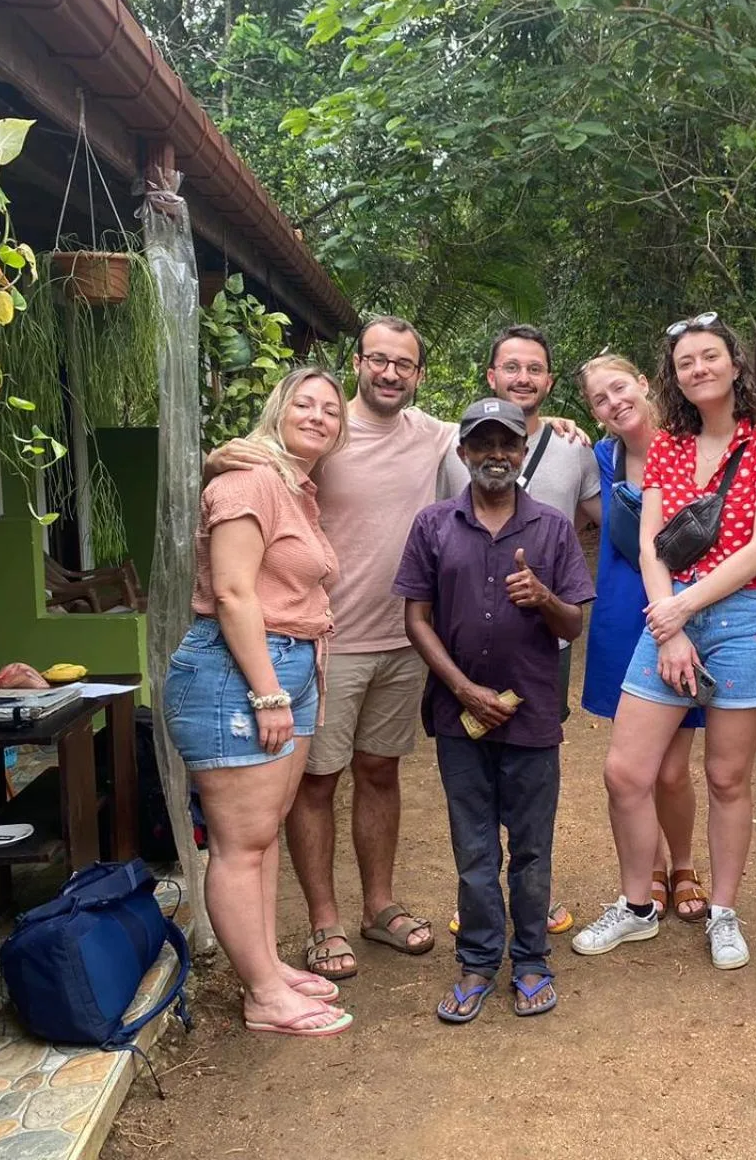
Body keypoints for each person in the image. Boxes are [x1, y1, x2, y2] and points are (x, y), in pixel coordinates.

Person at [206, 317, 587, 981]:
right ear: (357, 361)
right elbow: (263, 462)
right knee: (318, 781)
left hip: (405, 641)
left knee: (379, 772)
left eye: (403, 364)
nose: (389, 373)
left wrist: (566, 427)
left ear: (418, 374)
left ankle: (378, 906)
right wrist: (229, 455)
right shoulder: (325, 433)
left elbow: (503, 430)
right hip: (326, 636)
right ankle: (324, 921)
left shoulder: (434, 435)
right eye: (378, 360)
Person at [572, 314, 756, 971]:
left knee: (727, 776)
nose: (699, 370)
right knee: (626, 772)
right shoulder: (669, 443)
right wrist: (669, 623)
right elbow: (650, 542)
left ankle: (724, 911)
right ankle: (638, 904)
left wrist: (683, 609)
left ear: (733, 364)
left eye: (710, 357)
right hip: (670, 609)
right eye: (686, 362)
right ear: (671, 377)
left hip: (746, 617)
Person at [163, 367, 353, 1037]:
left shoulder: (295, 488)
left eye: (331, 409)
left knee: (262, 833)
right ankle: (263, 995)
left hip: (286, 665)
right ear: (279, 410)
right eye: (304, 403)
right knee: (240, 843)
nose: (318, 416)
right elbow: (235, 594)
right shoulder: (246, 481)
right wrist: (268, 689)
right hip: (239, 671)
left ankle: (266, 965)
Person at [395, 398, 596, 1022]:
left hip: (532, 713)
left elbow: (574, 621)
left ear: (521, 452)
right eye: (482, 444)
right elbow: (416, 618)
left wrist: (541, 597)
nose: (496, 456)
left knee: (532, 846)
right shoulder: (433, 525)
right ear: (463, 454)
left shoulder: (552, 529)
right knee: (474, 844)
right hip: (458, 716)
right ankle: (479, 960)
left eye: (507, 444)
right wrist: (461, 689)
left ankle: (531, 958)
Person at [442, 324, 600, 937]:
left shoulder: (573, 447)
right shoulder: (454, 444)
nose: (523, 378)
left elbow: (609, 517)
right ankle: (480, 898)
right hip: (464, 643)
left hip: (542, 642)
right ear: (491, 376)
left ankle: (533, 893)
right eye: (511, 367)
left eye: (535, 368)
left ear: (549, 382)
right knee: (471, 762)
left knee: (530, 762)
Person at [578, 354, 707, 922]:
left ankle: (683, 864)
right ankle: (649, 866)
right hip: (623, 612)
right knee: (636, 762)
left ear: (643, 383)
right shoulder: (601, 458)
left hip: (683, 608)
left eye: (619, 389)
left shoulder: (690, 442)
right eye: (598, 400)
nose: (613, 404)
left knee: (673, 767)